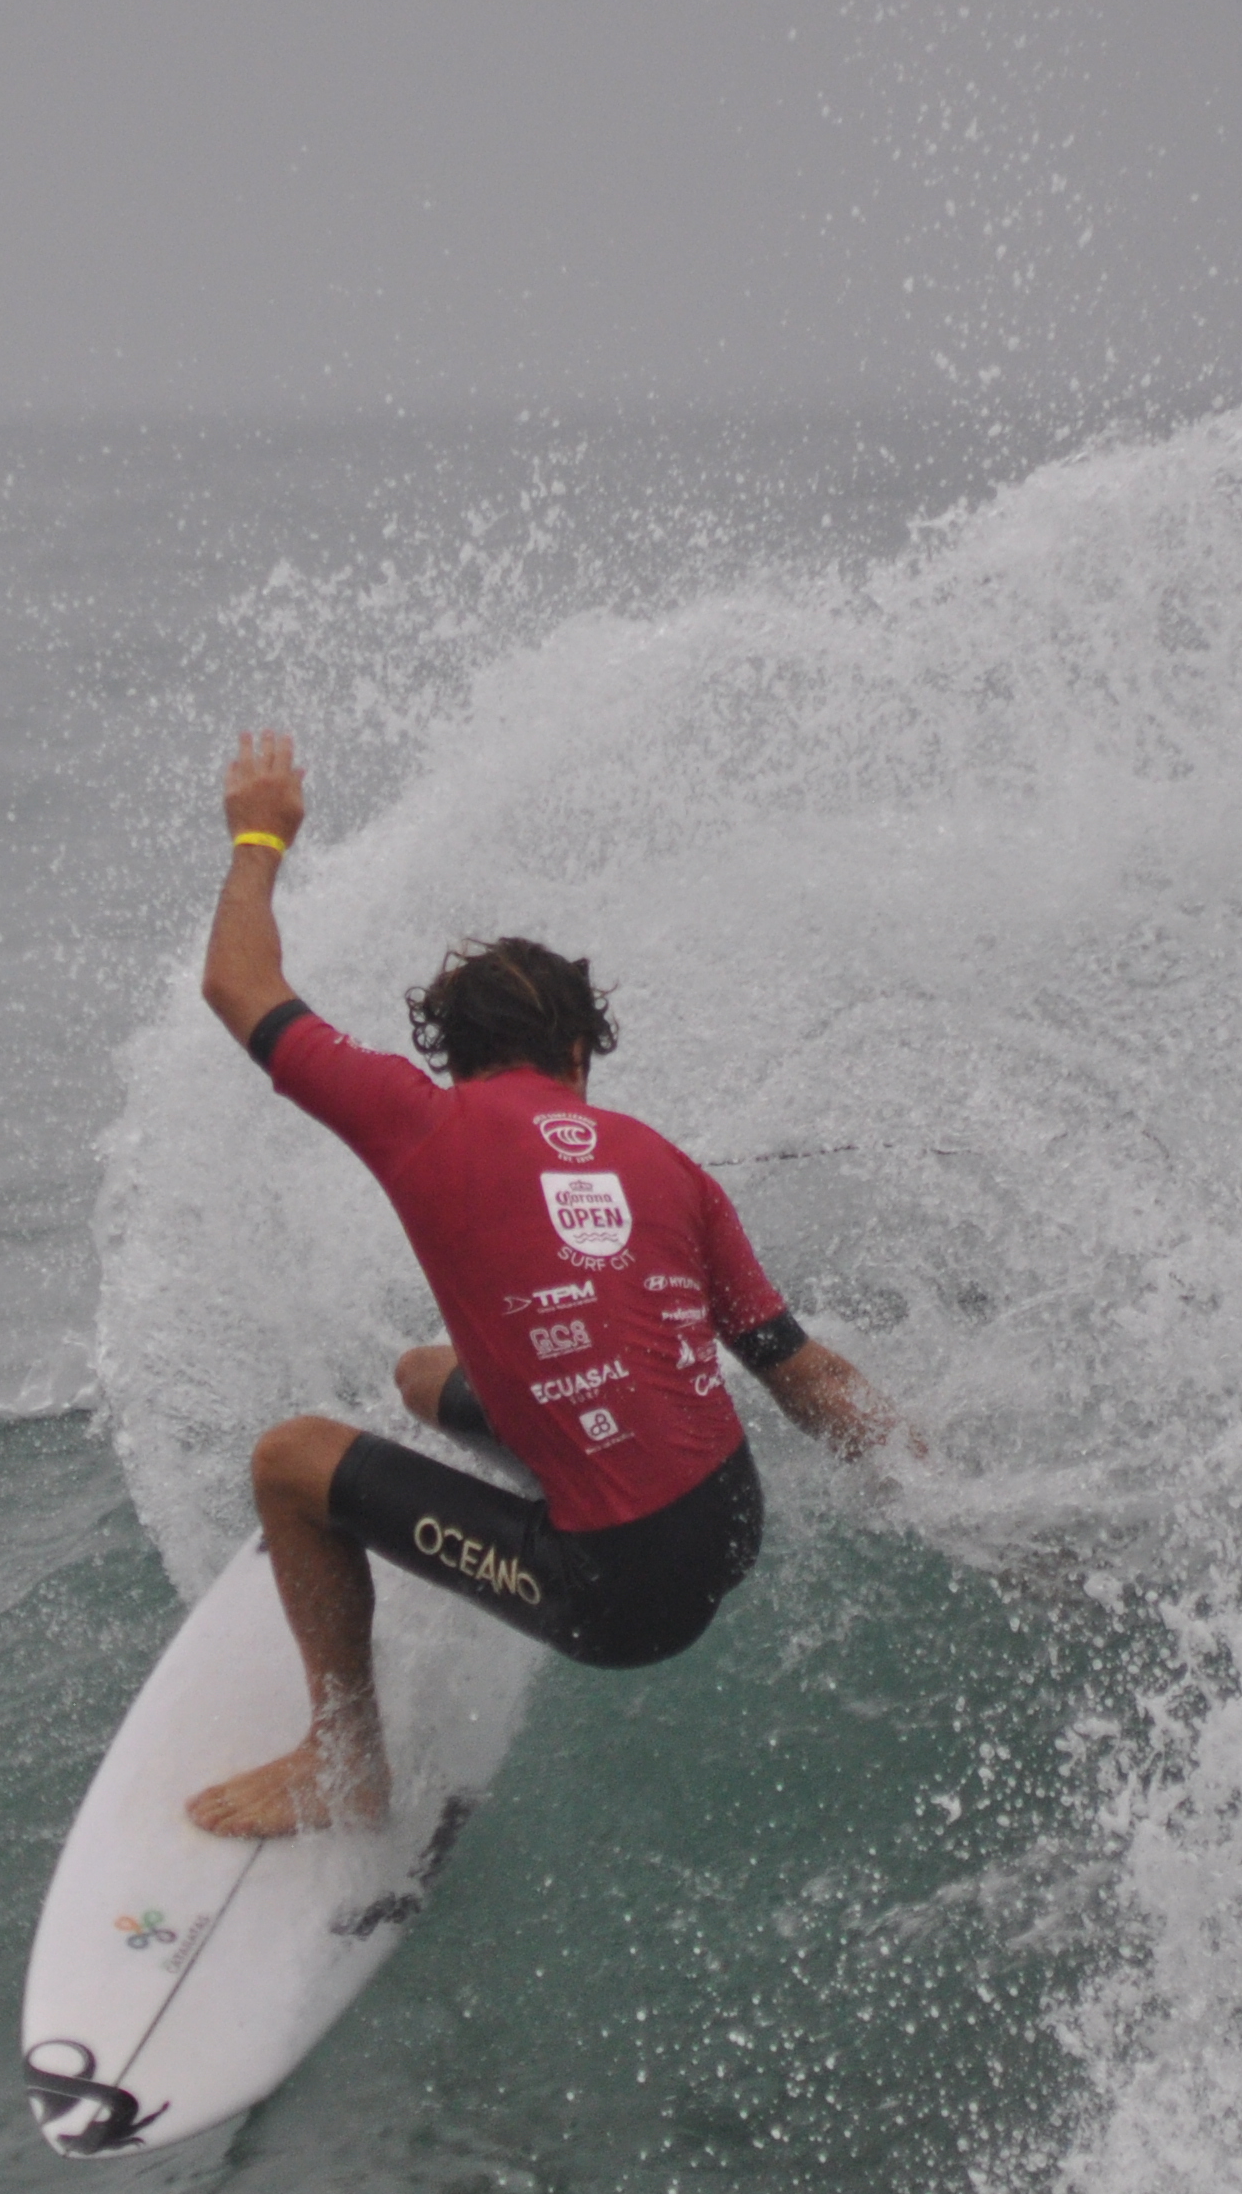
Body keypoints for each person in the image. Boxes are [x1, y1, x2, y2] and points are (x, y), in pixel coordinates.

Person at [184, 729, 906, 1839]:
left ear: (451, 1055)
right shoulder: (666, 1161)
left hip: (618, 1591)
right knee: (422, 1372)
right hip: (731, 1518)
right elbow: (794, 1370)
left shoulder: (416, 1118)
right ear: (577, 1056)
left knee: (287, 1460)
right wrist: (928, 1483)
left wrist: (258, 832)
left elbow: (238, 983)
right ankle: (469, 1492)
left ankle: (343, 1763)